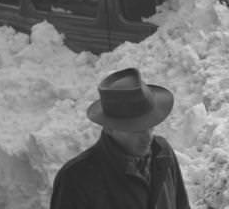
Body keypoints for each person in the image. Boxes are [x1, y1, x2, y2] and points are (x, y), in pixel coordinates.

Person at [50, 68, 191, 209]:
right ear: (109, 128)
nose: (147, 137)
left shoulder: (162, 153)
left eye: (150, 125)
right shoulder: (76, 179)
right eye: (136, 130)